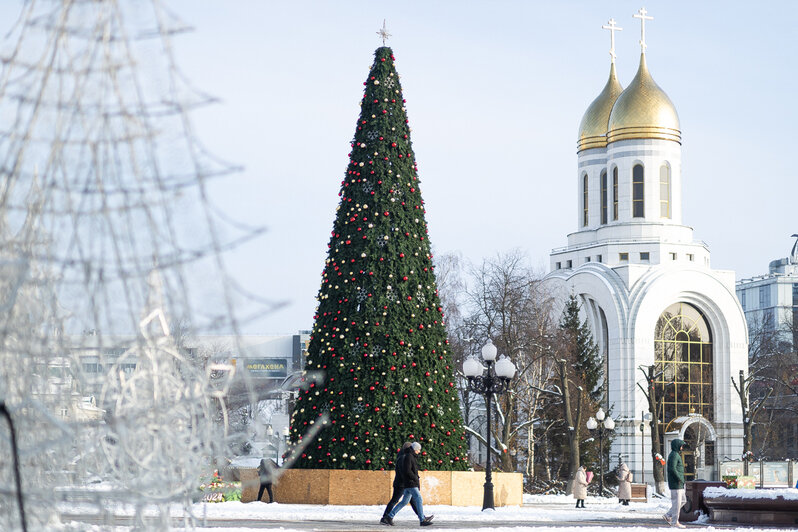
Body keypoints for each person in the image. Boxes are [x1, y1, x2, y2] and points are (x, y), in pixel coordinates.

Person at [384, 442, 434, 526]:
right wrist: (414, 478)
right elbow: (407, 471)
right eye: (418, 450)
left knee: (404, 502)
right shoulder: (408, 456)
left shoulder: (410, 456)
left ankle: (389, 516)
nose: (419, 451)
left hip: (408, 483)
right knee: (418, 499)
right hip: (410, 483)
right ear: (414, 449)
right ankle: (422, 520)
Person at [381, 442, 420, 524]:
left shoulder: (402, 456)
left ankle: (421, 517)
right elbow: (404, 472)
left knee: (412, 500)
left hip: (403, 483)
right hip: (401, 484)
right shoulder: (404, 458)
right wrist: (409, 480)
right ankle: (385, 517)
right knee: (396, 500)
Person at [663, 439, 687, 528]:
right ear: (677, 446)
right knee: (676, 503)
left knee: (683, 500)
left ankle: (668, 515)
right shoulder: (674, 455)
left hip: (679, 483)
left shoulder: (676, 455)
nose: (682, 447)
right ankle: (674, 522)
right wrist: (679, 478)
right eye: (681, 445)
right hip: (676, 483)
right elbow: (672, 469)